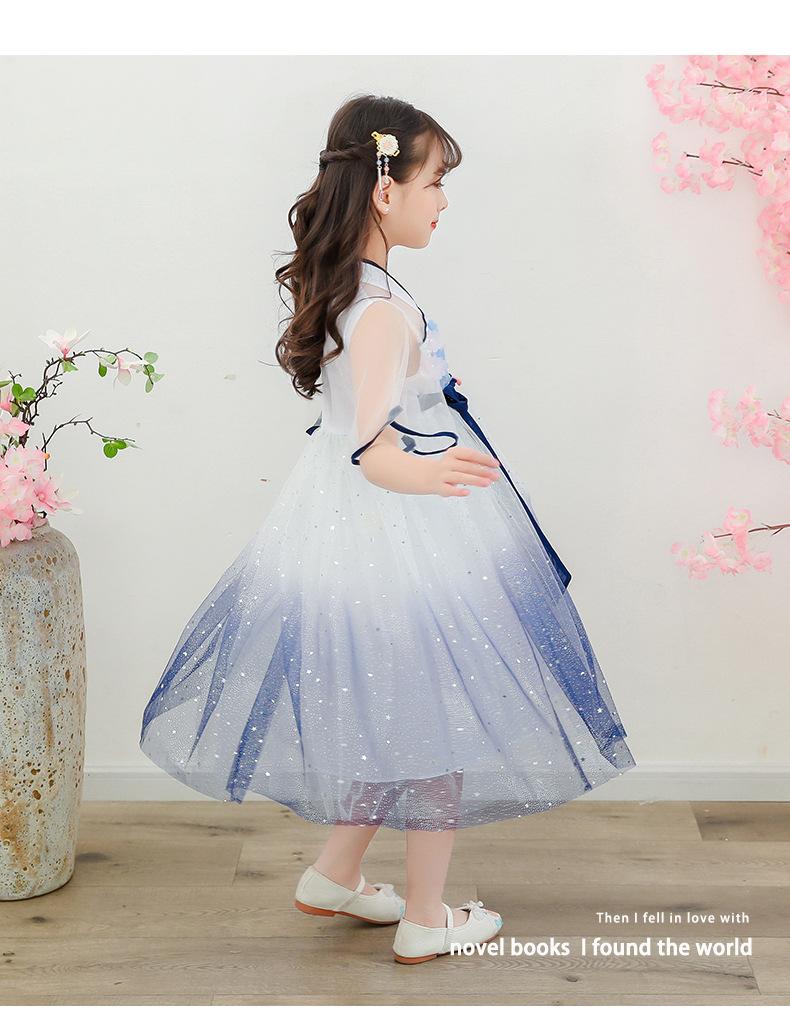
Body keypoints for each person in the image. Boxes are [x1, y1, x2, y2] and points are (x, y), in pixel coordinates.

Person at [139, 93, 636, 965]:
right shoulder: (377, 310)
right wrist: (430, 473)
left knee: (397, 706)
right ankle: (427, 916)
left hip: (354, 532)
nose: (442, 200)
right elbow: (370, 449)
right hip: (396, 536)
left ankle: (336, 872)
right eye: (434, 181)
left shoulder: (364, 292)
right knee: (432, 718)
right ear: (384, 189)